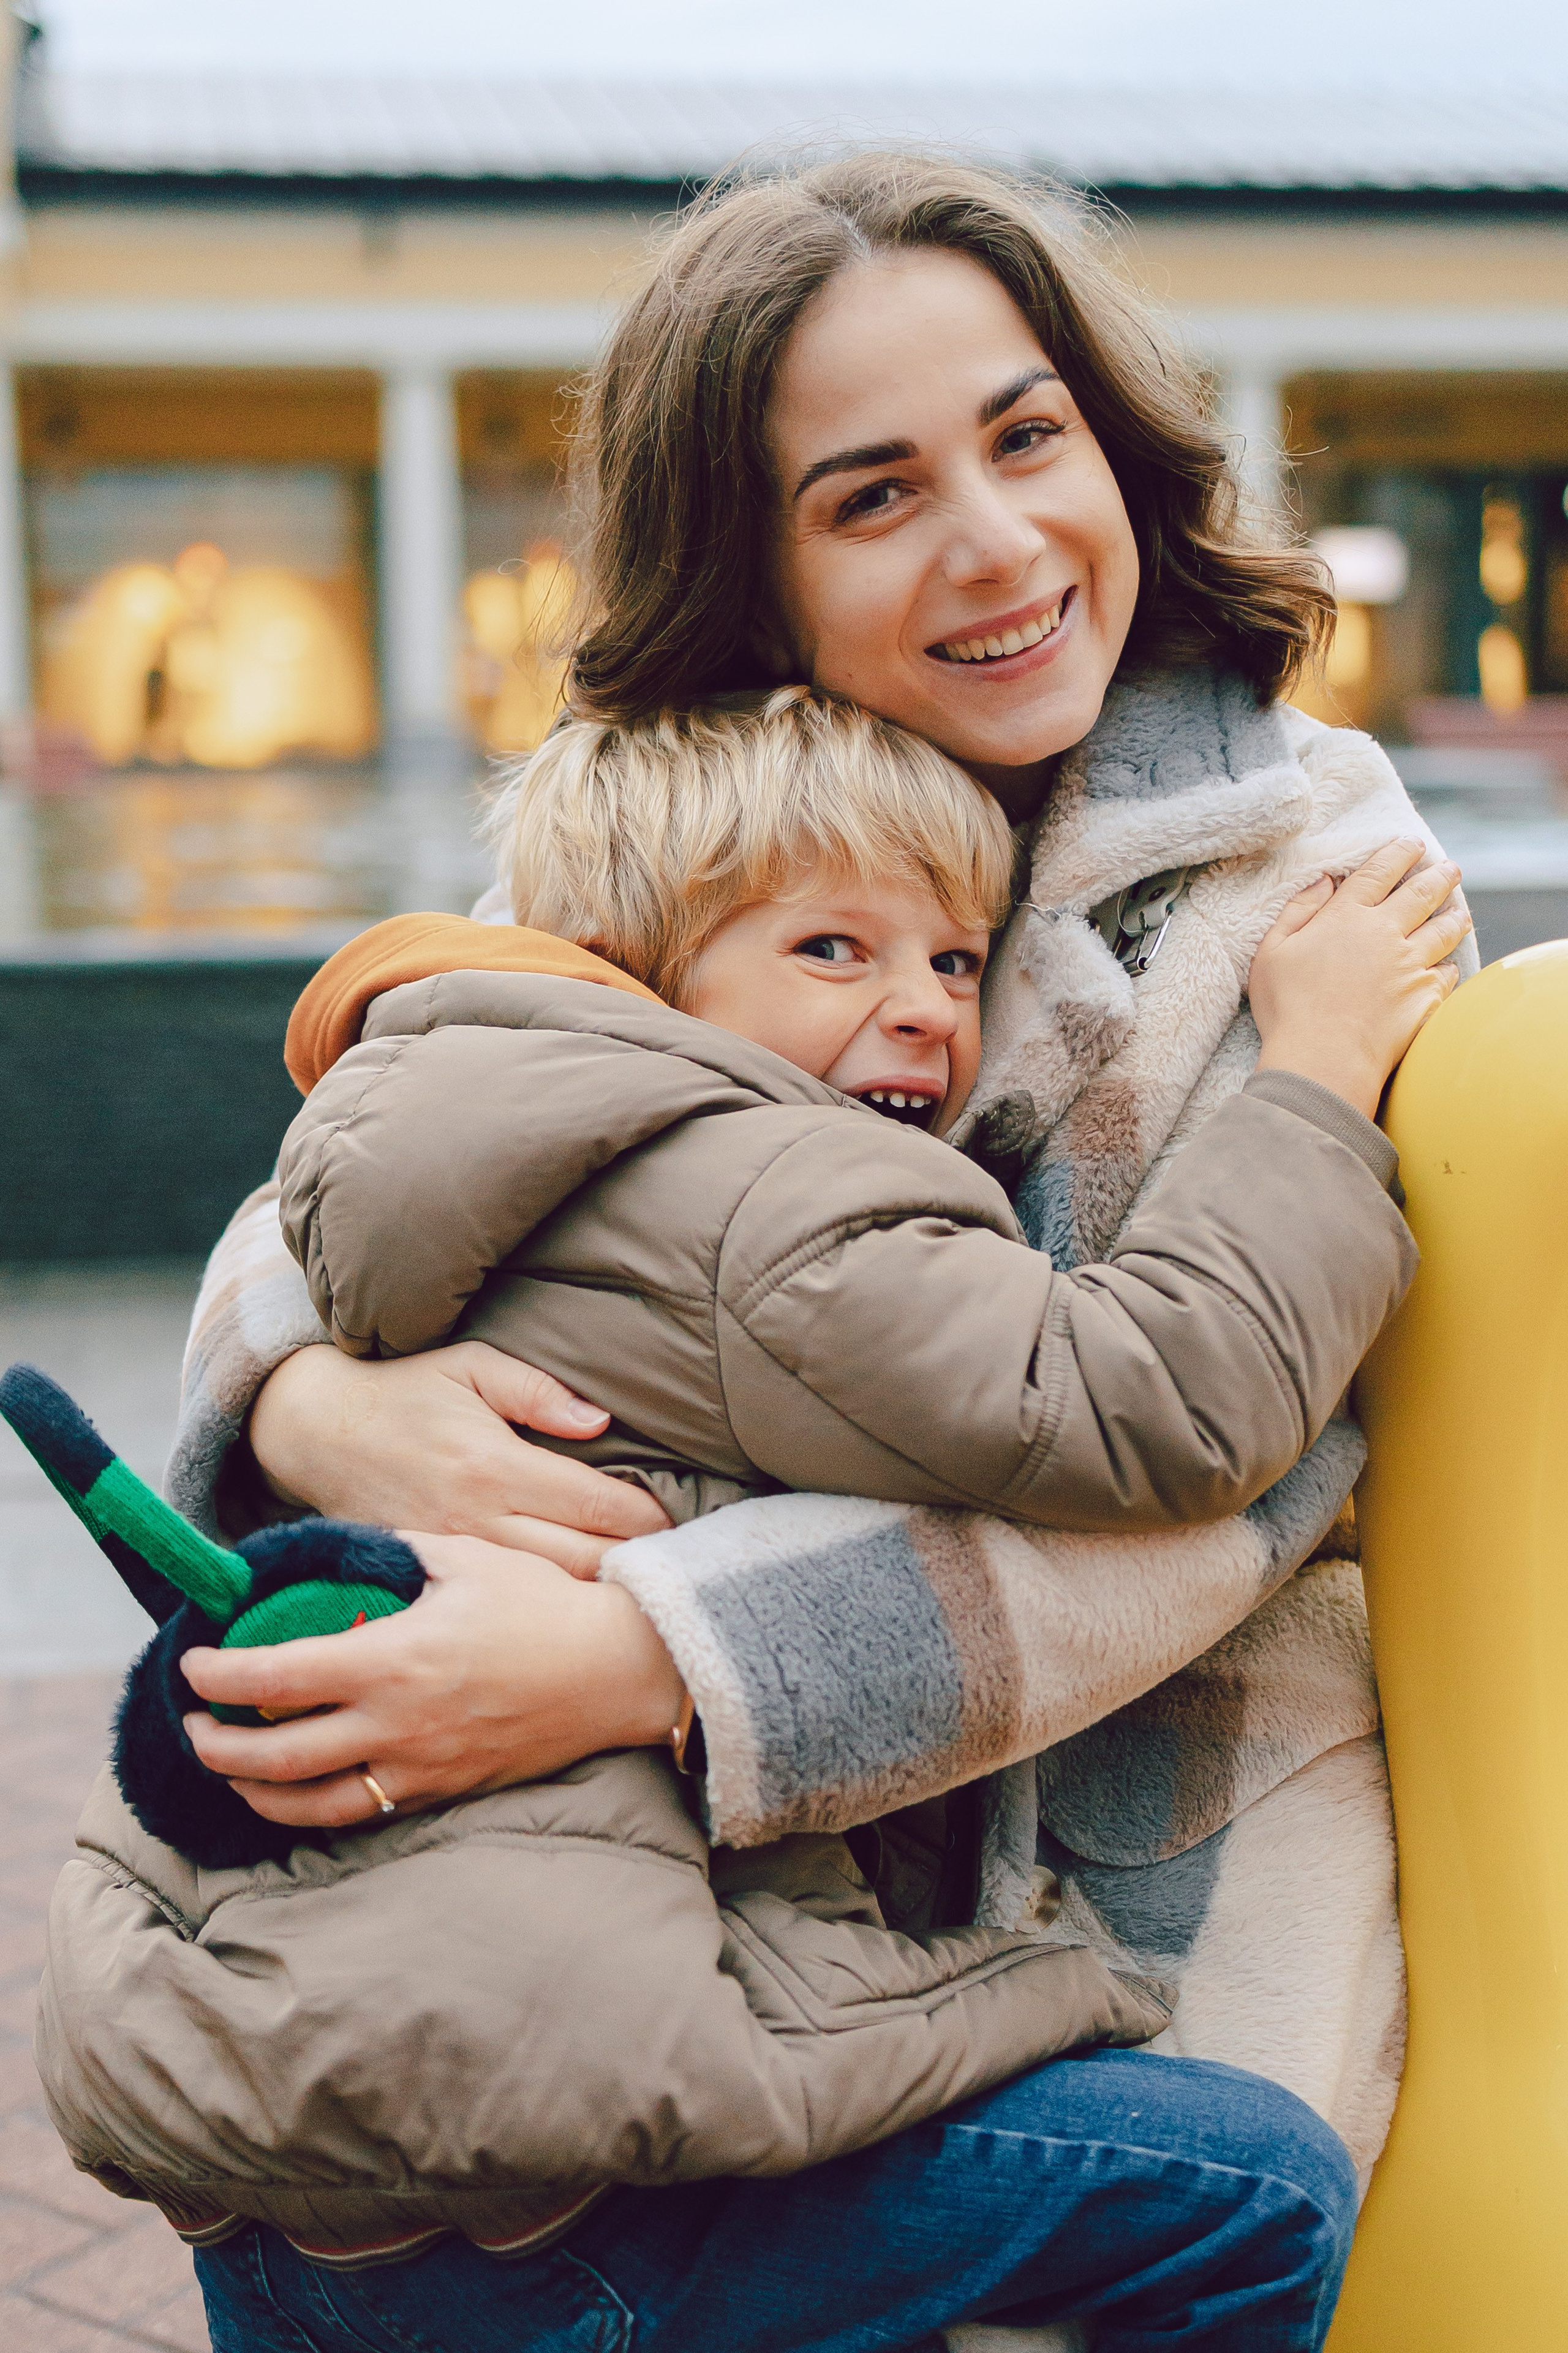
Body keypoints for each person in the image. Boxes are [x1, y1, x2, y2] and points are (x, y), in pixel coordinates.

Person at [39, 152, 1476, 2350]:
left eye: (1026, 435)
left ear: (1113, 435)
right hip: (665, 1929)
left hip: (1121, 1801)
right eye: (871, 494)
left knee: (1211, 2214)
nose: (994, 544)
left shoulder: (1304, 887)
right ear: (755, 568)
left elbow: (1242, 1487)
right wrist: (318, 1390)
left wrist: (666, 1662)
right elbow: (393, 1135)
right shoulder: (705, 820)